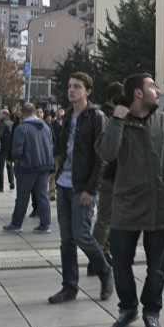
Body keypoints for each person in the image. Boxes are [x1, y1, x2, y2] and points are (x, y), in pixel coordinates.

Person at [96, 73, 164, 327]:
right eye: (152, 86)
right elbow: (106, 152)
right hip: (127, 205)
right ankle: (128, 308)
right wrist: (117, 119)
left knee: (156, 268)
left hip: (161, 203)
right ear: (137, 93)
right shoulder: (118, 122)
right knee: (121, 263)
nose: (158, 91)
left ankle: (151, 312)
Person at [48, 72, 113, 305]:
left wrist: (91, 190)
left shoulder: (96, 117)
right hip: (64, 184)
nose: (71, 90)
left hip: (82, 187)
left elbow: (102, 157)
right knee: (67, 240)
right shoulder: (66, 117)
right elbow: (64, 150)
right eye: (69, 86)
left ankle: (105, 272)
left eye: (77, 86)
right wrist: (55, 180)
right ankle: (69, 286)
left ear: (87, 91)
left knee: (83, 236)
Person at [2, 103, 54, 234]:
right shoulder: (45, 127)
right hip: (44, 165)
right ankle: (45, 224)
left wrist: (16, 161)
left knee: (22, 196)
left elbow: (17, 150)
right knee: (42, 195)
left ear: (21, 113)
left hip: (27, 167)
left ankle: (16, 223)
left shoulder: (22, 127)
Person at [90, 81, 124, 275]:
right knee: (105, 218)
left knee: (110, 217)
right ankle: (96, 257)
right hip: (110, 174)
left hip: (111, 173)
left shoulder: (102, 114)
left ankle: (104, 251)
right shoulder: (108, 117)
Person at [0, 109, 15, 192]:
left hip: (2, 148)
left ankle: (0, 186)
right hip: (10, 148)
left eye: (0, 114)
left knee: (0, 167)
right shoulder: (12, 123)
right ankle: (11, 180)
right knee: (9, 165)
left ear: (4, 115)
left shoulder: (2, 124)